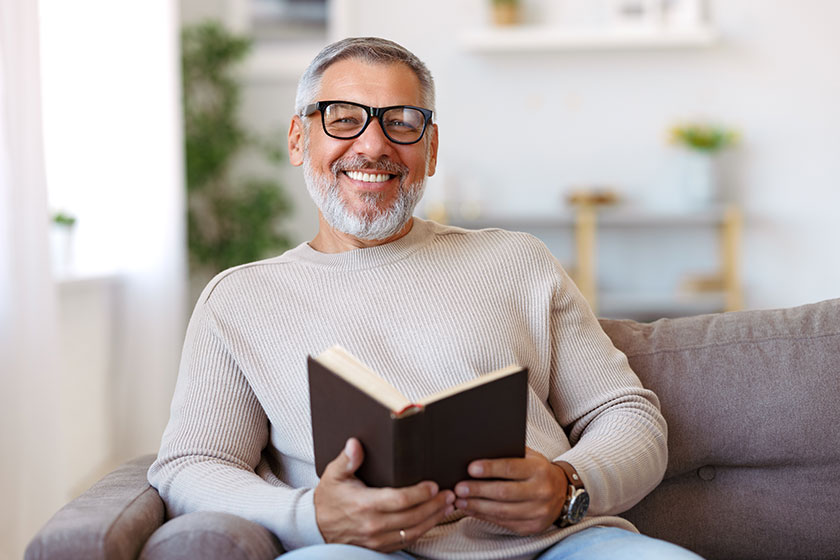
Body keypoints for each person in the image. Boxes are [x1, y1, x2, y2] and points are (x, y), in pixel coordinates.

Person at [148, 37, 703, 560]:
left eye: (402, 123)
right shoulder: (239, 300)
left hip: (556, 546)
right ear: (298, 139)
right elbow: (192, 465)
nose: (373, 145)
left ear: (431, 149)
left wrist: (567, 483)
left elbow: (629, 415)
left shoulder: (516, 260)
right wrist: (311, 515)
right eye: (344, 118)